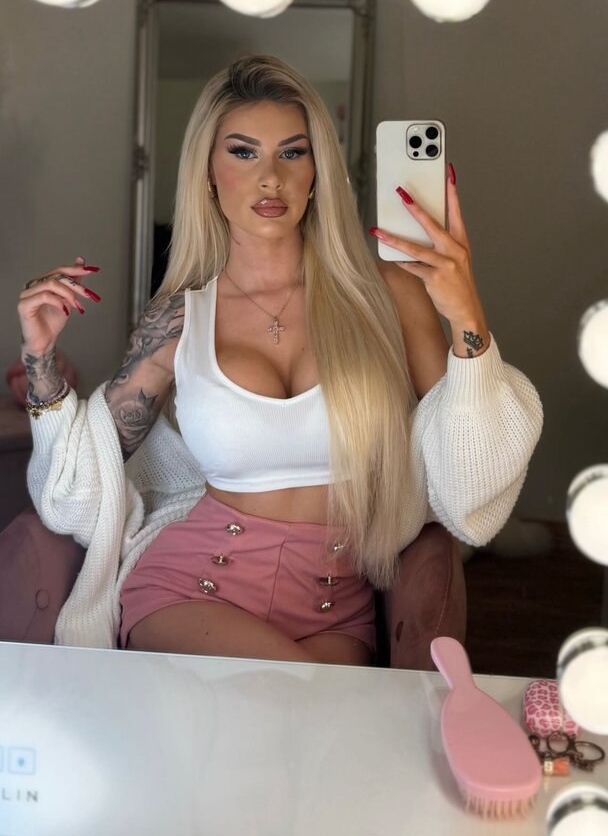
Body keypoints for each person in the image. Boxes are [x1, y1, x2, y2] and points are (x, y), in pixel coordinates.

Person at [18, 54, 542, 665]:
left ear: (318, 171)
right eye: (243, 153)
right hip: (192, 590)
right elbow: (79, 489)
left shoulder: (387, 294)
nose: (270, 177)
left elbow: (471, 482)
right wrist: (40, 358)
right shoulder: (181, 317)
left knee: (310, 715)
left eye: (293, 152)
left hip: (333, 609)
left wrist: (466, 313)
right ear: (208, 174)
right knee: (308, 702)